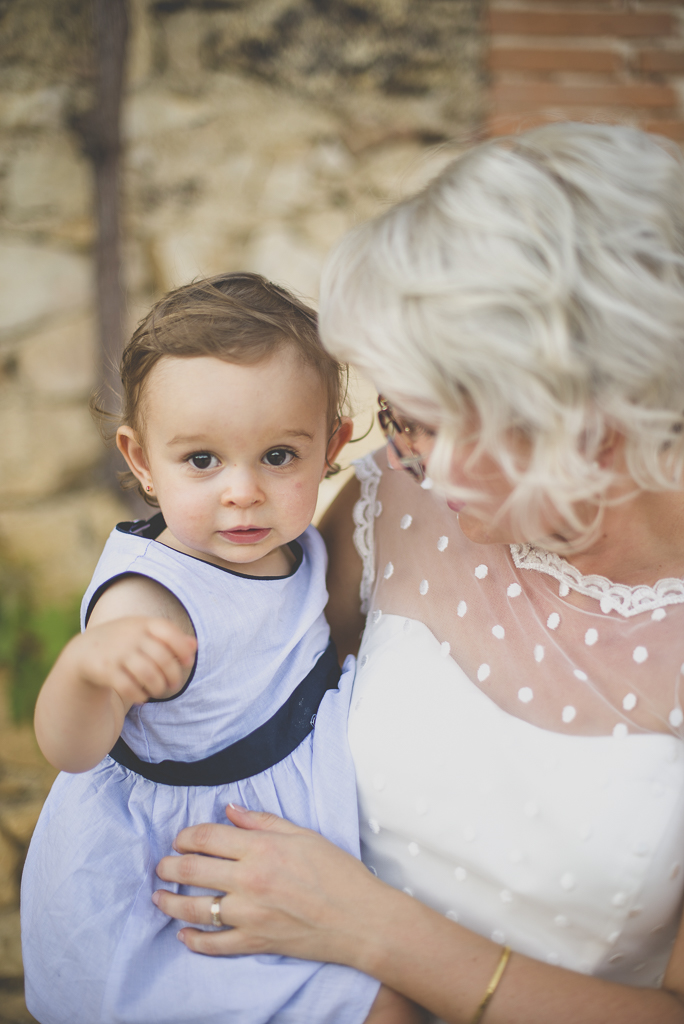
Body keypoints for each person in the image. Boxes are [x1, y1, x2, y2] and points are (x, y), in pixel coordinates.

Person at [151, 124, 684, 1023]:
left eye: (430, 419)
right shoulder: (395, 499)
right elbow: (236, 698)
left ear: (585, 416)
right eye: (398, 413)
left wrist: (372, 932)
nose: (397, 451)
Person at [21, 273, 420, 1024]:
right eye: (201, 461)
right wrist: (84, 671)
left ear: (331, 445)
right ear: (141, 461)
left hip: (277, 849)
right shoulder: (152, 597)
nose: (243, 492)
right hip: (175, 887)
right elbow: (71, 750)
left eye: (278, 456)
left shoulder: (296, 543)